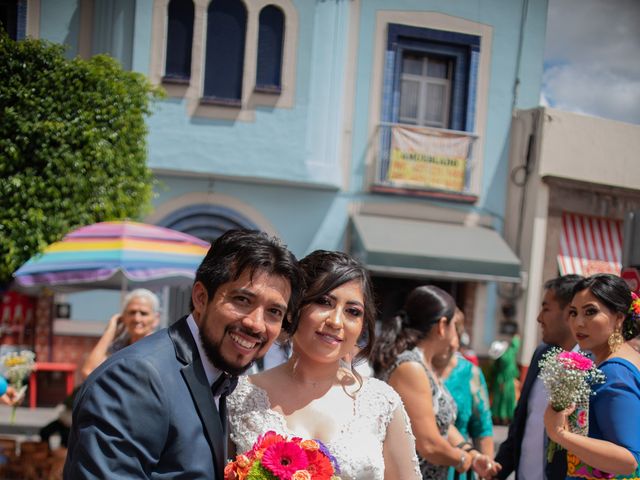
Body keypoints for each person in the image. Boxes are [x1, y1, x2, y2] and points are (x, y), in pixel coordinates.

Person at [63, 229, 304, 479]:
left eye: (274, 312)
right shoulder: (136, 378)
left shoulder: (219, 377)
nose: (256, 324)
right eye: (242, 299)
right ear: (201, 297)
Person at [227, 250, 421, 480]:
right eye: (324, 302)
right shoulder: (239, 397)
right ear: (293, 309)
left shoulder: (381, 403)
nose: (336, 321)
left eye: (352, 311)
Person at [372, 285, 500, 480]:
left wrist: (472, 454)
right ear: (442, 326)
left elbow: (442, 426)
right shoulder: (410, 367)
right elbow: (429, 444)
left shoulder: (422, 364)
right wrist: (464, 459)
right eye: (453, 327)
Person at [544, 273, 640, 478]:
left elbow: (628, 460)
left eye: (590, 312)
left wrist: (559, 433)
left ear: (619, 318)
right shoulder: (627, 362)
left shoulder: (614, 372)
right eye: (573, 312)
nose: (578, 322)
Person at [494, 273, 583, 480]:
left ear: (570, 312)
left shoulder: (593, 366)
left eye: (546, 308)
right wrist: (498, 470)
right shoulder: (541, 354)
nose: (539, 318)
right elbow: (520, 425)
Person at [432, 309, 493, 480]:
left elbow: (483, 428)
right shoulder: (414, 370)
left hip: (458, 468)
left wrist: (486, 471)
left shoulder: (470, 373)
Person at [80, 288, 161, 379]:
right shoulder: (119, 348)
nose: (137, 319)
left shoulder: (161, 349)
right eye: (132, 312)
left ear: (156, 319)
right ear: (123, 317)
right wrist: (110, 332)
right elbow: (89, 371)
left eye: (143, 313)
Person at [490, 333, 521, 425]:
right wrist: (516, 338)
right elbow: (514, 347)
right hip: (508, 381)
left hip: (500, 381)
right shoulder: (509, 354)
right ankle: (506, 418)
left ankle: (498, 417)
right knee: (507, 399)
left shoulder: (499, 358)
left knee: (499, 400)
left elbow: (494, 369)